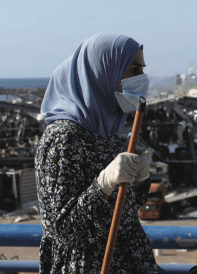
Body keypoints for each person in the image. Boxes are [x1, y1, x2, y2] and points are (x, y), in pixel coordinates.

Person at [35, 33, 157, 274]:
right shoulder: (63, 137)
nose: (141, 79)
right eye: (132, 70)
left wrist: (141, 181)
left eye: (142, 70)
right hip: (88, 265)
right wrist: (103, 184)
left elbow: (126, 207)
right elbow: (65, 230)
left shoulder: (109, 129)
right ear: (103, 72)